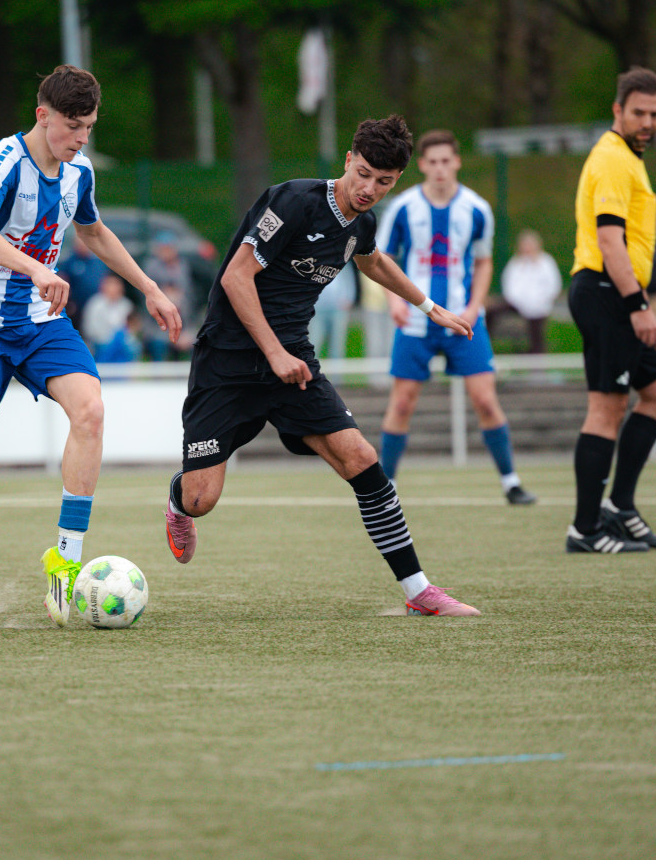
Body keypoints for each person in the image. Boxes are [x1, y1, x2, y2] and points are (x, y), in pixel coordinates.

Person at [0, 64, 181, 631]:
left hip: (39, 320)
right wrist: (35, 267)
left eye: (89, 127)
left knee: (91, 409)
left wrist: (148, 287)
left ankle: (65, 562)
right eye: (73, 126)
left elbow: (93, 232)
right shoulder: (5, 160)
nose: (81, 138)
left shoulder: (79, 172)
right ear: (42, 115)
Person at [163, 115, 481, 617]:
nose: (369, 189)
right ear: (349, 160)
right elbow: (235, 278)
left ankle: (419, 591)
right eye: (364, 174)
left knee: (362, 459)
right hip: (227, 363)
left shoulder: (363, 223)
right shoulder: (292, 201)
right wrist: (273, 353)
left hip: (295, 364)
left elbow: (372, 260)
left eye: (384, 182)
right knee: (202, 498)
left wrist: (428, 306)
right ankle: (178, 502)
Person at [375, 130, 537, 505]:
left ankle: (511, 482)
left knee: (485, 400)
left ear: (457, 162)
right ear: (422, 165)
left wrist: (475, 306)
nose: (440, 169)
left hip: (463, 320)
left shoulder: (476, 209)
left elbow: (483, 262)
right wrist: (394, 302)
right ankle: (385, 488)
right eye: (432, 162)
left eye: (446, 161)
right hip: (415, 321)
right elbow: (381, 258)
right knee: (402, 403)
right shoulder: (403, 207)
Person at [567, 66, 656, 554]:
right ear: (618, 110)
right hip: (607, 292)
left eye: (655, 114)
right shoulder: (612, 157)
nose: (648, 122)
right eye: (639, 113)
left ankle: (620, 507)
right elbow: (610, 241)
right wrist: (638, 306)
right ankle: (585, 530)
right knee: (606, 409)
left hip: (615, 292)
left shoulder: (629, 157)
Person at [501, 229, 563, 355]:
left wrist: (538, 302)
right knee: (493, 311)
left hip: (541, 306)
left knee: (536, 326)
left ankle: (537, 355)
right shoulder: (515, 263)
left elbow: (553, 286)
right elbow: (509, 287)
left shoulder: (547, 263)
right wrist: (520, 303)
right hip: (517, 305)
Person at [58, 233, 108, 332]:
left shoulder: (98, 262)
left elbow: (105, 281)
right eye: (79, 243)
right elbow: (63, 280)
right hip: (76, 307)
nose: (82, 245)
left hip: (96, 305)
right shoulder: (69, 262)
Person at [309, 260, 356, 360]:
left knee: (337, 343)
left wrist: (349, 298)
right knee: (315, 341)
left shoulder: (343, 259)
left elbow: (349, 280)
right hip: (318, 307)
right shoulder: (314, 259)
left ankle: (337, 369)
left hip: (338, 308)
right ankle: (311, 367)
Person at [80, 273, 135, 359]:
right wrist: (108, 340)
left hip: (123, 344)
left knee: (134, 347)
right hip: (100, 343)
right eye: (110, 284)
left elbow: (132, 328)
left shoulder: (127, 305)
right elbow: (89, 328)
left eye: (116, 284)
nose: (114, 288)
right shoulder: (95, 304)